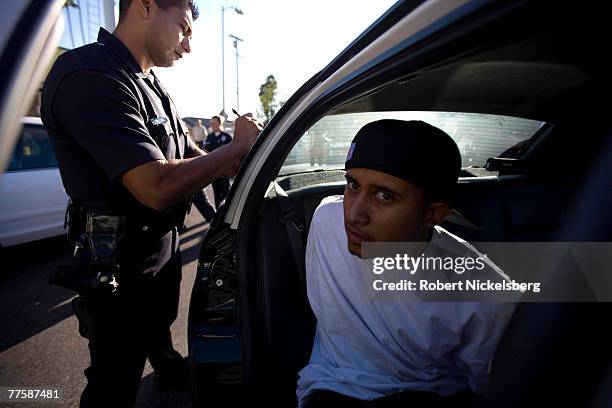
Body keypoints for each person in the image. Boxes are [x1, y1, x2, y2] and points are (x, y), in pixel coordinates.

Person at [40, 0, 262, 406]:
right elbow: (155, 185)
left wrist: (227, 164)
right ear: (144, 6)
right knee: (115, 376)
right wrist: (234, 149)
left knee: (158, 325)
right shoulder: (91, 75)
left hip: (158, 245)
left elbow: (184, 150)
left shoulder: (150, 83)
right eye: (183, 27)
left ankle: (165, 364)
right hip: (117, 262)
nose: (188, 45)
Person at [296, 120, 516, 407]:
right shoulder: (327, 221)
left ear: (433, 214)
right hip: (330, 391)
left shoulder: (484, 291)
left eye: (384, 195)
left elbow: (499, 386)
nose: (354, 215)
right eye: (353, 185)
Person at [204, 115, 232, 208]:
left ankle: (227, 211)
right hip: (214, 170)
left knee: (225, 191)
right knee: (216, 192)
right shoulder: (209, 137)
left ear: (220, 123)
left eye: (214, 123)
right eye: (211, 123)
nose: (212, 125)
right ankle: (217, 214)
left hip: (225, 170)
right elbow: (206, 152)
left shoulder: (227, 137)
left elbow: (231, 153)